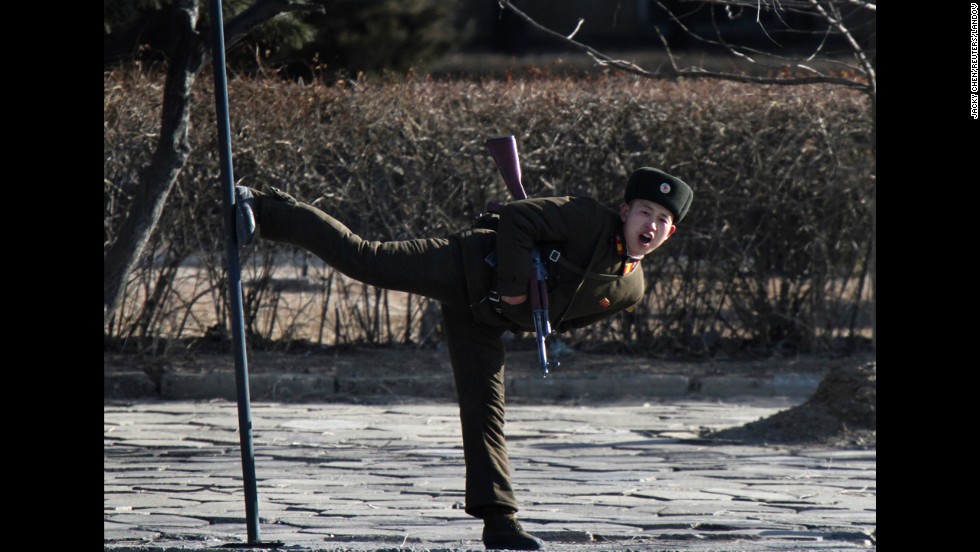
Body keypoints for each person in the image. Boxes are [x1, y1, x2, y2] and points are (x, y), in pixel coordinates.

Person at [235, 167, 693, 550]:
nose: (650, 224)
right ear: (625, 211)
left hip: (486, 321)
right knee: (366, 259)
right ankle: (265, 207)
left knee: (485, 413)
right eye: (645, 212)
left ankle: (499, 523)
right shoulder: (589, 218)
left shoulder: (630, 288)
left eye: (662, 220)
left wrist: (528, 316)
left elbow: (562, 319)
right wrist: (516, 286)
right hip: (467, 266)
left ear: (670, 233)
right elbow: (517, 217)